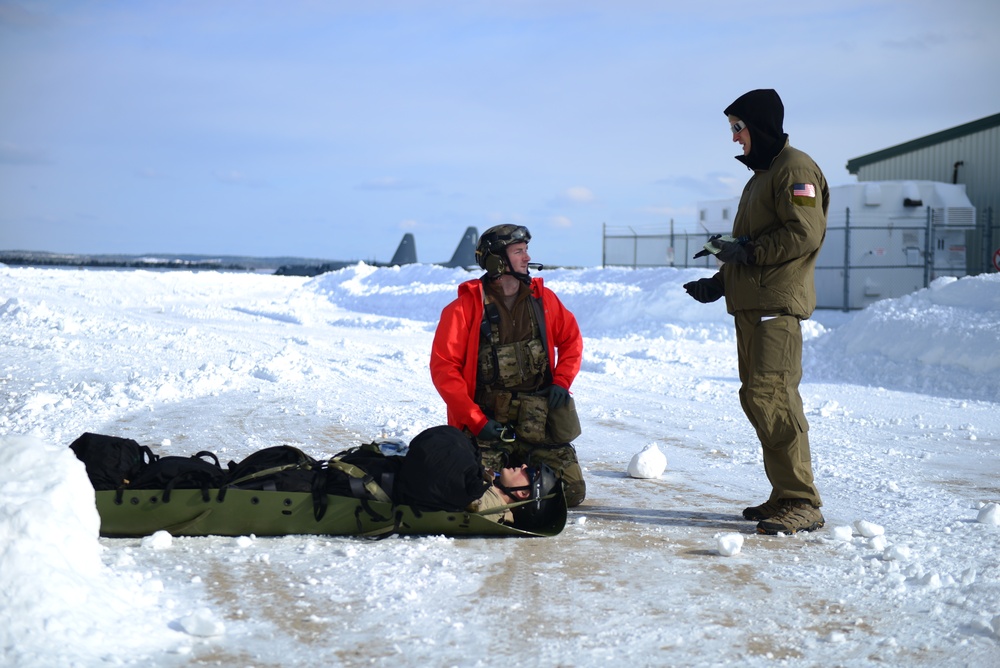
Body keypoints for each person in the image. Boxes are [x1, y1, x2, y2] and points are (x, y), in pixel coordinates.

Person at [683, 89, 828, 535]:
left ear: (759, 126)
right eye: (732, 129)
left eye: (737, 128)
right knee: (758, 398)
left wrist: (748, 253)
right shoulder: (762, 176)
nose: (734, 139)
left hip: (775, 307)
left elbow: (803, 233)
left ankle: (802, 501)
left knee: (774, 397)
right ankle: (784, 493)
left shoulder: (795, 169)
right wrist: (719, 281)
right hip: (752, 304)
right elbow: (748, 248)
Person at [430, 224, 586, 506]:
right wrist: (477, 422)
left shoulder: (544, 301)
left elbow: (572, 340)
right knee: (470, 493)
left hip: (538, 425)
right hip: (489, 427)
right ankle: (508, 473)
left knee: (571, 493)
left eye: (526, 251)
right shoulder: (462, 310)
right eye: (518, 252)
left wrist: (562, 381)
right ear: (496, 261)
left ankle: (516, 469)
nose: (527, 258)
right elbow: (444, 370)